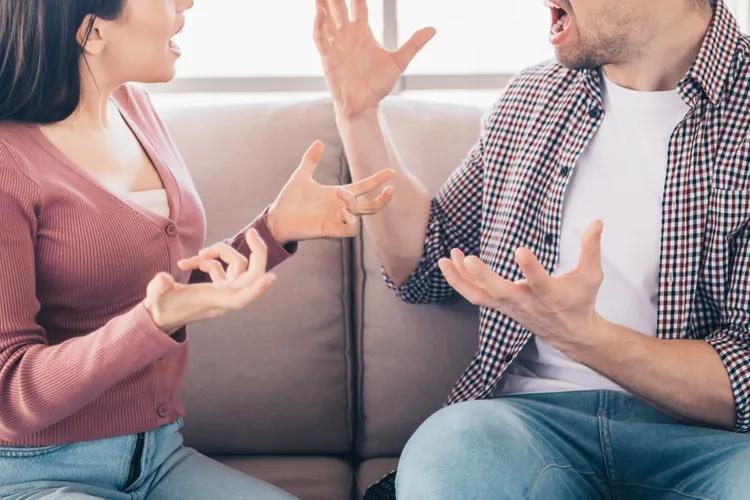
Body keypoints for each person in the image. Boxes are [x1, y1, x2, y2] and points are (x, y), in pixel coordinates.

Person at [313, 0, 750, 498]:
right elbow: (428, 265)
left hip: (714, 446)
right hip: (526, 432)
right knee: (454, 453)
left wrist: (587, 338)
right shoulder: (533, 97)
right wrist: (358, 114)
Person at [0, 0, 395, 498]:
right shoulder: (8, 165)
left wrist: (274, 230)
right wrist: (152, 322)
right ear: (92, 32)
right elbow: (8, 396)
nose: (186, 3)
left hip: (158, 457)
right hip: (34, 473)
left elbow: (170, 292)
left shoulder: (134, 109)